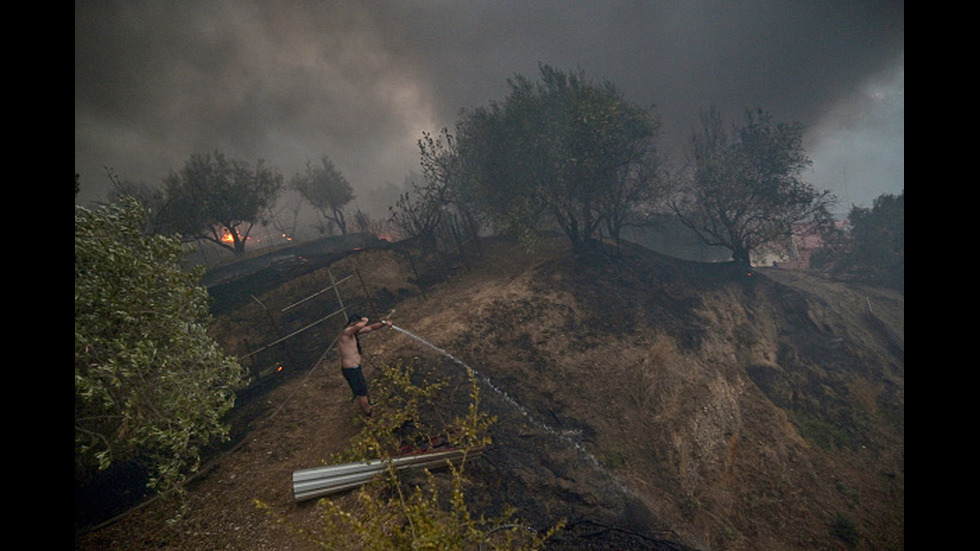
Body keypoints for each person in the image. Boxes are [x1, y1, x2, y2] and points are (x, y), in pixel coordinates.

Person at [338, 313, 391, 416]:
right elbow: (361, 325)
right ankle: (369, 414)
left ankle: (366, 406)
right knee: (362, 393)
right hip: (351, 370)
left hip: (355, 368)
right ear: (353, 324)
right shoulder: (346, 332)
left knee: (363, 390)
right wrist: (365, 320)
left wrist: (383, 323)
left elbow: (371, 327)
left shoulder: (353, 333)